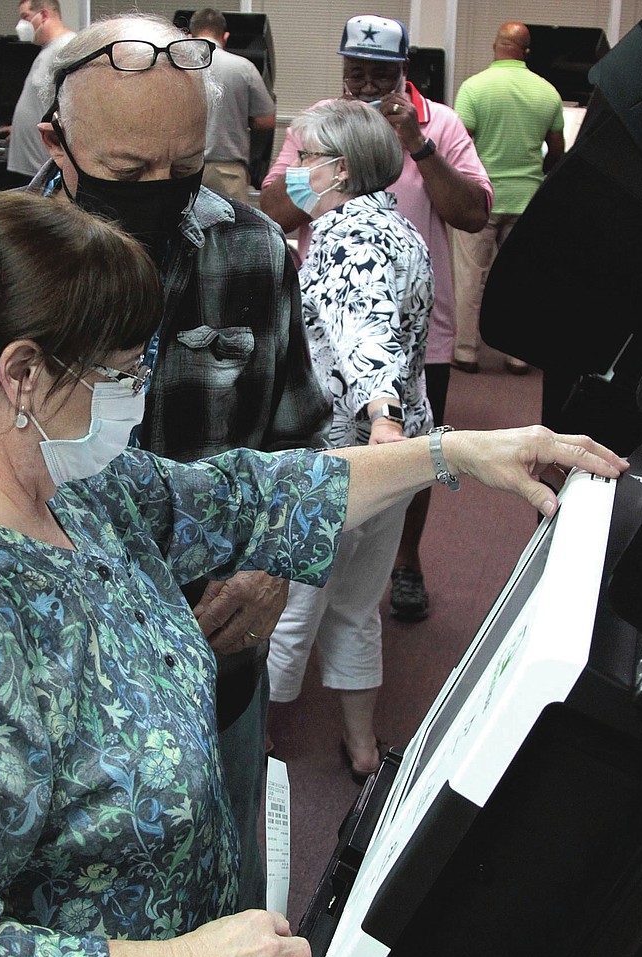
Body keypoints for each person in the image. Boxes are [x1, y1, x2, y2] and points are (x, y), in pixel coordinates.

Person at [0, 190, 628, 957]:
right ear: (22, 374)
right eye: (121, 371)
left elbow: (250, 492)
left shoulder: (80, 490)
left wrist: (453, 454)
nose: (136, 391)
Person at [31, 13, 332, 923]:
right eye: (128, 174)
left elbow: (300, 439)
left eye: (184, 167)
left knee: (219, 896)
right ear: (57, 141)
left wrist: (275, 566)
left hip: (215, 659)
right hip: (50, 684)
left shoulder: (250, 250)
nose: (161, 193)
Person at [261, 14, 494, 624]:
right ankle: (327, 588)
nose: (364, 87)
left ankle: (405, 562)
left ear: (403, 72)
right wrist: (333, 166)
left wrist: (418, 146)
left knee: (406, 455)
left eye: (379, 75)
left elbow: (473, 213)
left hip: (422, 326)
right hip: (330, 331)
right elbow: (274, 211)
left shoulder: (438, 121)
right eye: (354, 73)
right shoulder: (321, 126)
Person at [266, 100, 433, 783]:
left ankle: (255, 748)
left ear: (338, 167)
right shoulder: (397, 227)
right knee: (359, 603)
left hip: (345, 450)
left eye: (302, 158)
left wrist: (381, 416)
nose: (292, 171)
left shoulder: (346, 237)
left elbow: (368, 333)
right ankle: (361, 747)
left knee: (291, 604)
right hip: (395, 457)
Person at [452, 21, 565, 375]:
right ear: (527, 51)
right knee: (522, 279)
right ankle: (518, 355)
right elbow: (558, 152)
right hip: (527, 200)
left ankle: (466, 352)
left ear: (495, 45)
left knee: (471, 277)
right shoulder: (548, 92)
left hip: (479, 201)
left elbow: (460, 146)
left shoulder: (473, 89)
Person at [188, 7, 276, 204]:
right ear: (225, 36)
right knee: (233, 231)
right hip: (227, 171)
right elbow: (266, 121)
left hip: (182, 169)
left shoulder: (174, 65)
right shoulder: (243, 67)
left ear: (189, 35)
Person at [7, 0, 75, 181]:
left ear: (44, 15)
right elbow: (42, 102)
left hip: (41, 167)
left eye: (25, 17)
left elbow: (70, 109)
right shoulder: (48, 50)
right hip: (28, 166)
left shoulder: (66, 48)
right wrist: (21, 127)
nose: (20, 25)